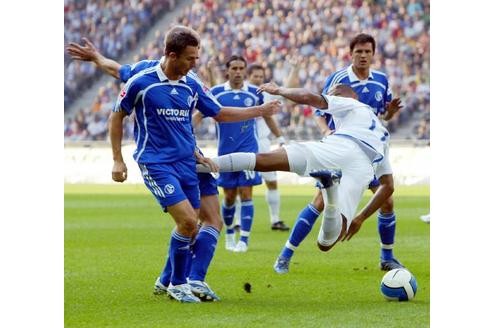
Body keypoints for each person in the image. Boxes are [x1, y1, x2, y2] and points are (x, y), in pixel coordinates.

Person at [74, 26, 280, 303]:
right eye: (190, 58)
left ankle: (173, 279)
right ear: (172, 55)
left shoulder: (192, 82)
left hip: (189, 160)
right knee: (187, 221)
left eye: (196, 58)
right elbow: (116, 104)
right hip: (156, 161)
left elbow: (217, 112)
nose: (195, 64)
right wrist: (117, 159)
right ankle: (180, 283)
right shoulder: (141, 79)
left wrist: (258, 111)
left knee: (194, 224)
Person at [197, 83, 395, 258]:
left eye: (333, 94)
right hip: (362, 163)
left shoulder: (352, 103)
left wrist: (280, 90)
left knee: (264, 160)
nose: (331, 97)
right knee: (326, 243)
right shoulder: (383, 133)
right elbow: (387, 187)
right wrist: (360, 217)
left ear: (350, 97)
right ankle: (332, 194)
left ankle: (202, 165)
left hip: (337, 147)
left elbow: (308, 97)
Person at [273, 33, 404, 274]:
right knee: (320, 202)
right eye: (358, 52)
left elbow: (380, 117)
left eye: (367, 51)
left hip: (370, 153)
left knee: (387, 200)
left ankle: (387, 257)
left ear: (373, 54)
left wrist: (390, 114)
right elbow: (320, 109)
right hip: (341, 149)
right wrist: (327, 133)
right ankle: (285, 254)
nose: (363, 56)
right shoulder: (339, 78)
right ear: (351, 53)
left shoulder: (382, 80)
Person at [207, 55, 264, 253]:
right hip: (225, 152)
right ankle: (230, 235)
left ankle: (244, 241)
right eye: (235, 68)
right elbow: (203, 112)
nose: (238, 72)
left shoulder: (255, 93)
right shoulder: (216, 92)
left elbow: (269, 110)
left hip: (249, 151)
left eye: (241, 68)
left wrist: (279, 135)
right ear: (227, 71)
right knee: (229, 196)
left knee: (247, 193)